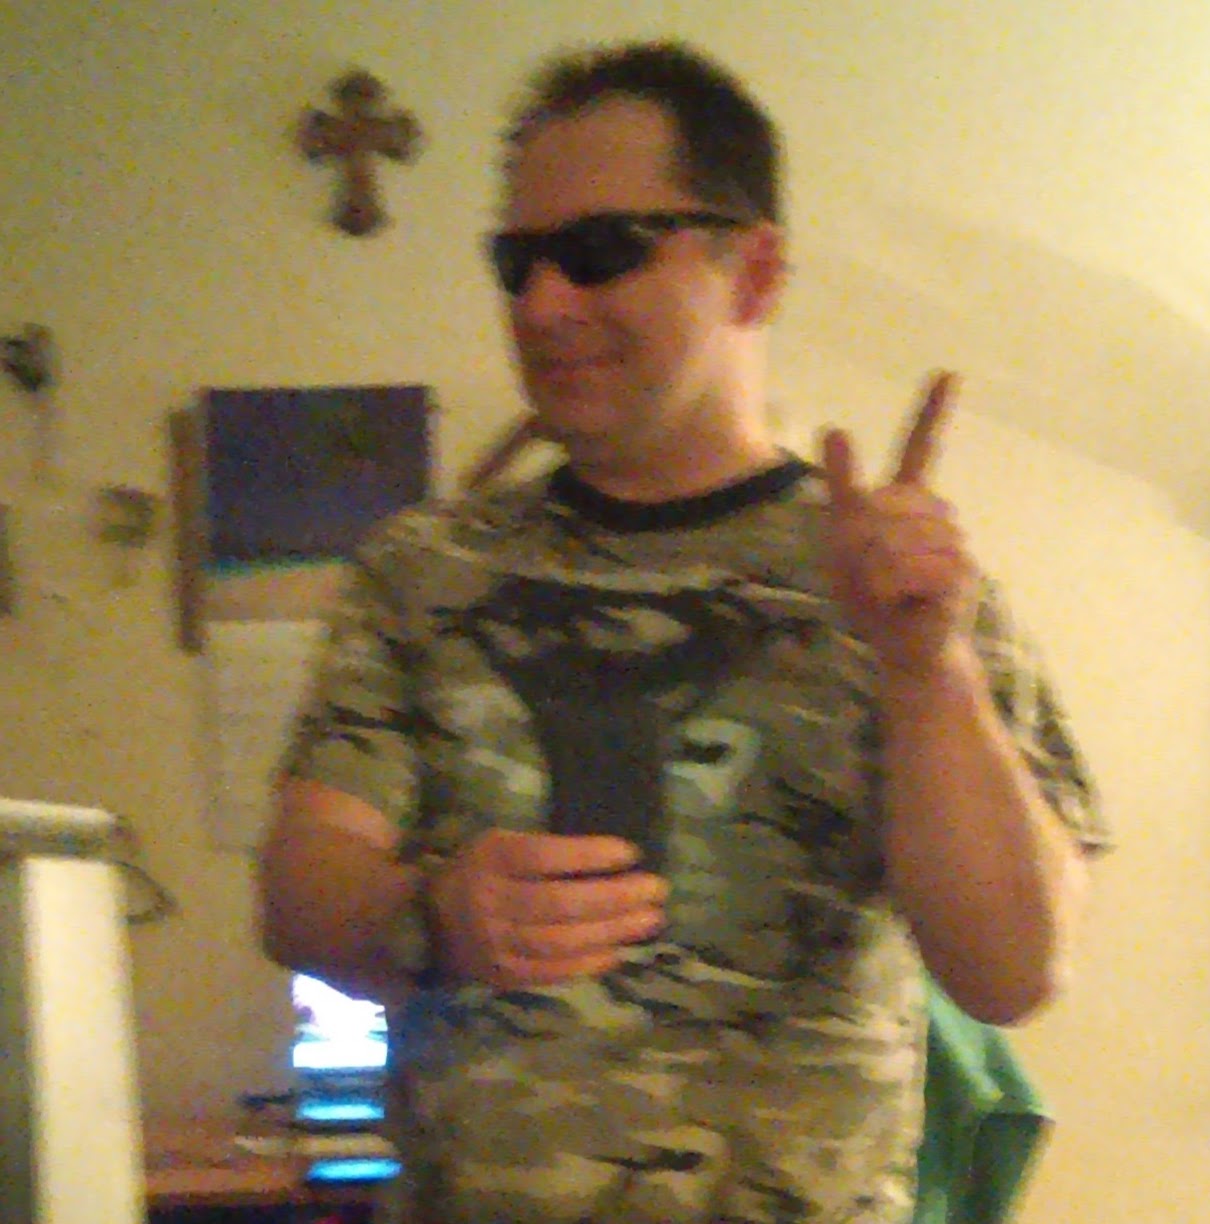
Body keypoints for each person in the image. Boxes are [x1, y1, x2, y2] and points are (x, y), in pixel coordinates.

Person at [258, 39, 1110, 1224]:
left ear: (750, 273)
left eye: (600, 252)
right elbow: (299, 892)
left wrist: (927, 672)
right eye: (515, 262)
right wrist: (432, 913)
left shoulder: (894, 581)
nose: (542, 304)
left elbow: (1010, 973)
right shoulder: (422, 569)